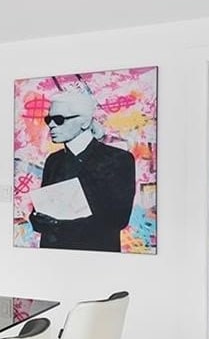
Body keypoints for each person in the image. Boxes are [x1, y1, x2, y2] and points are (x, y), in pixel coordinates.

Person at [28, 88, 135, 252]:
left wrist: (57, 225)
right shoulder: (53, 161)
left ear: (85, 122)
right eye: (48, 119)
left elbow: (117, 219)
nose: (51, 125)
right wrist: (37, 219)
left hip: (97, 255)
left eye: (59, 119)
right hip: (52, 255)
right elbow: (41, 209)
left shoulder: (118, 159)